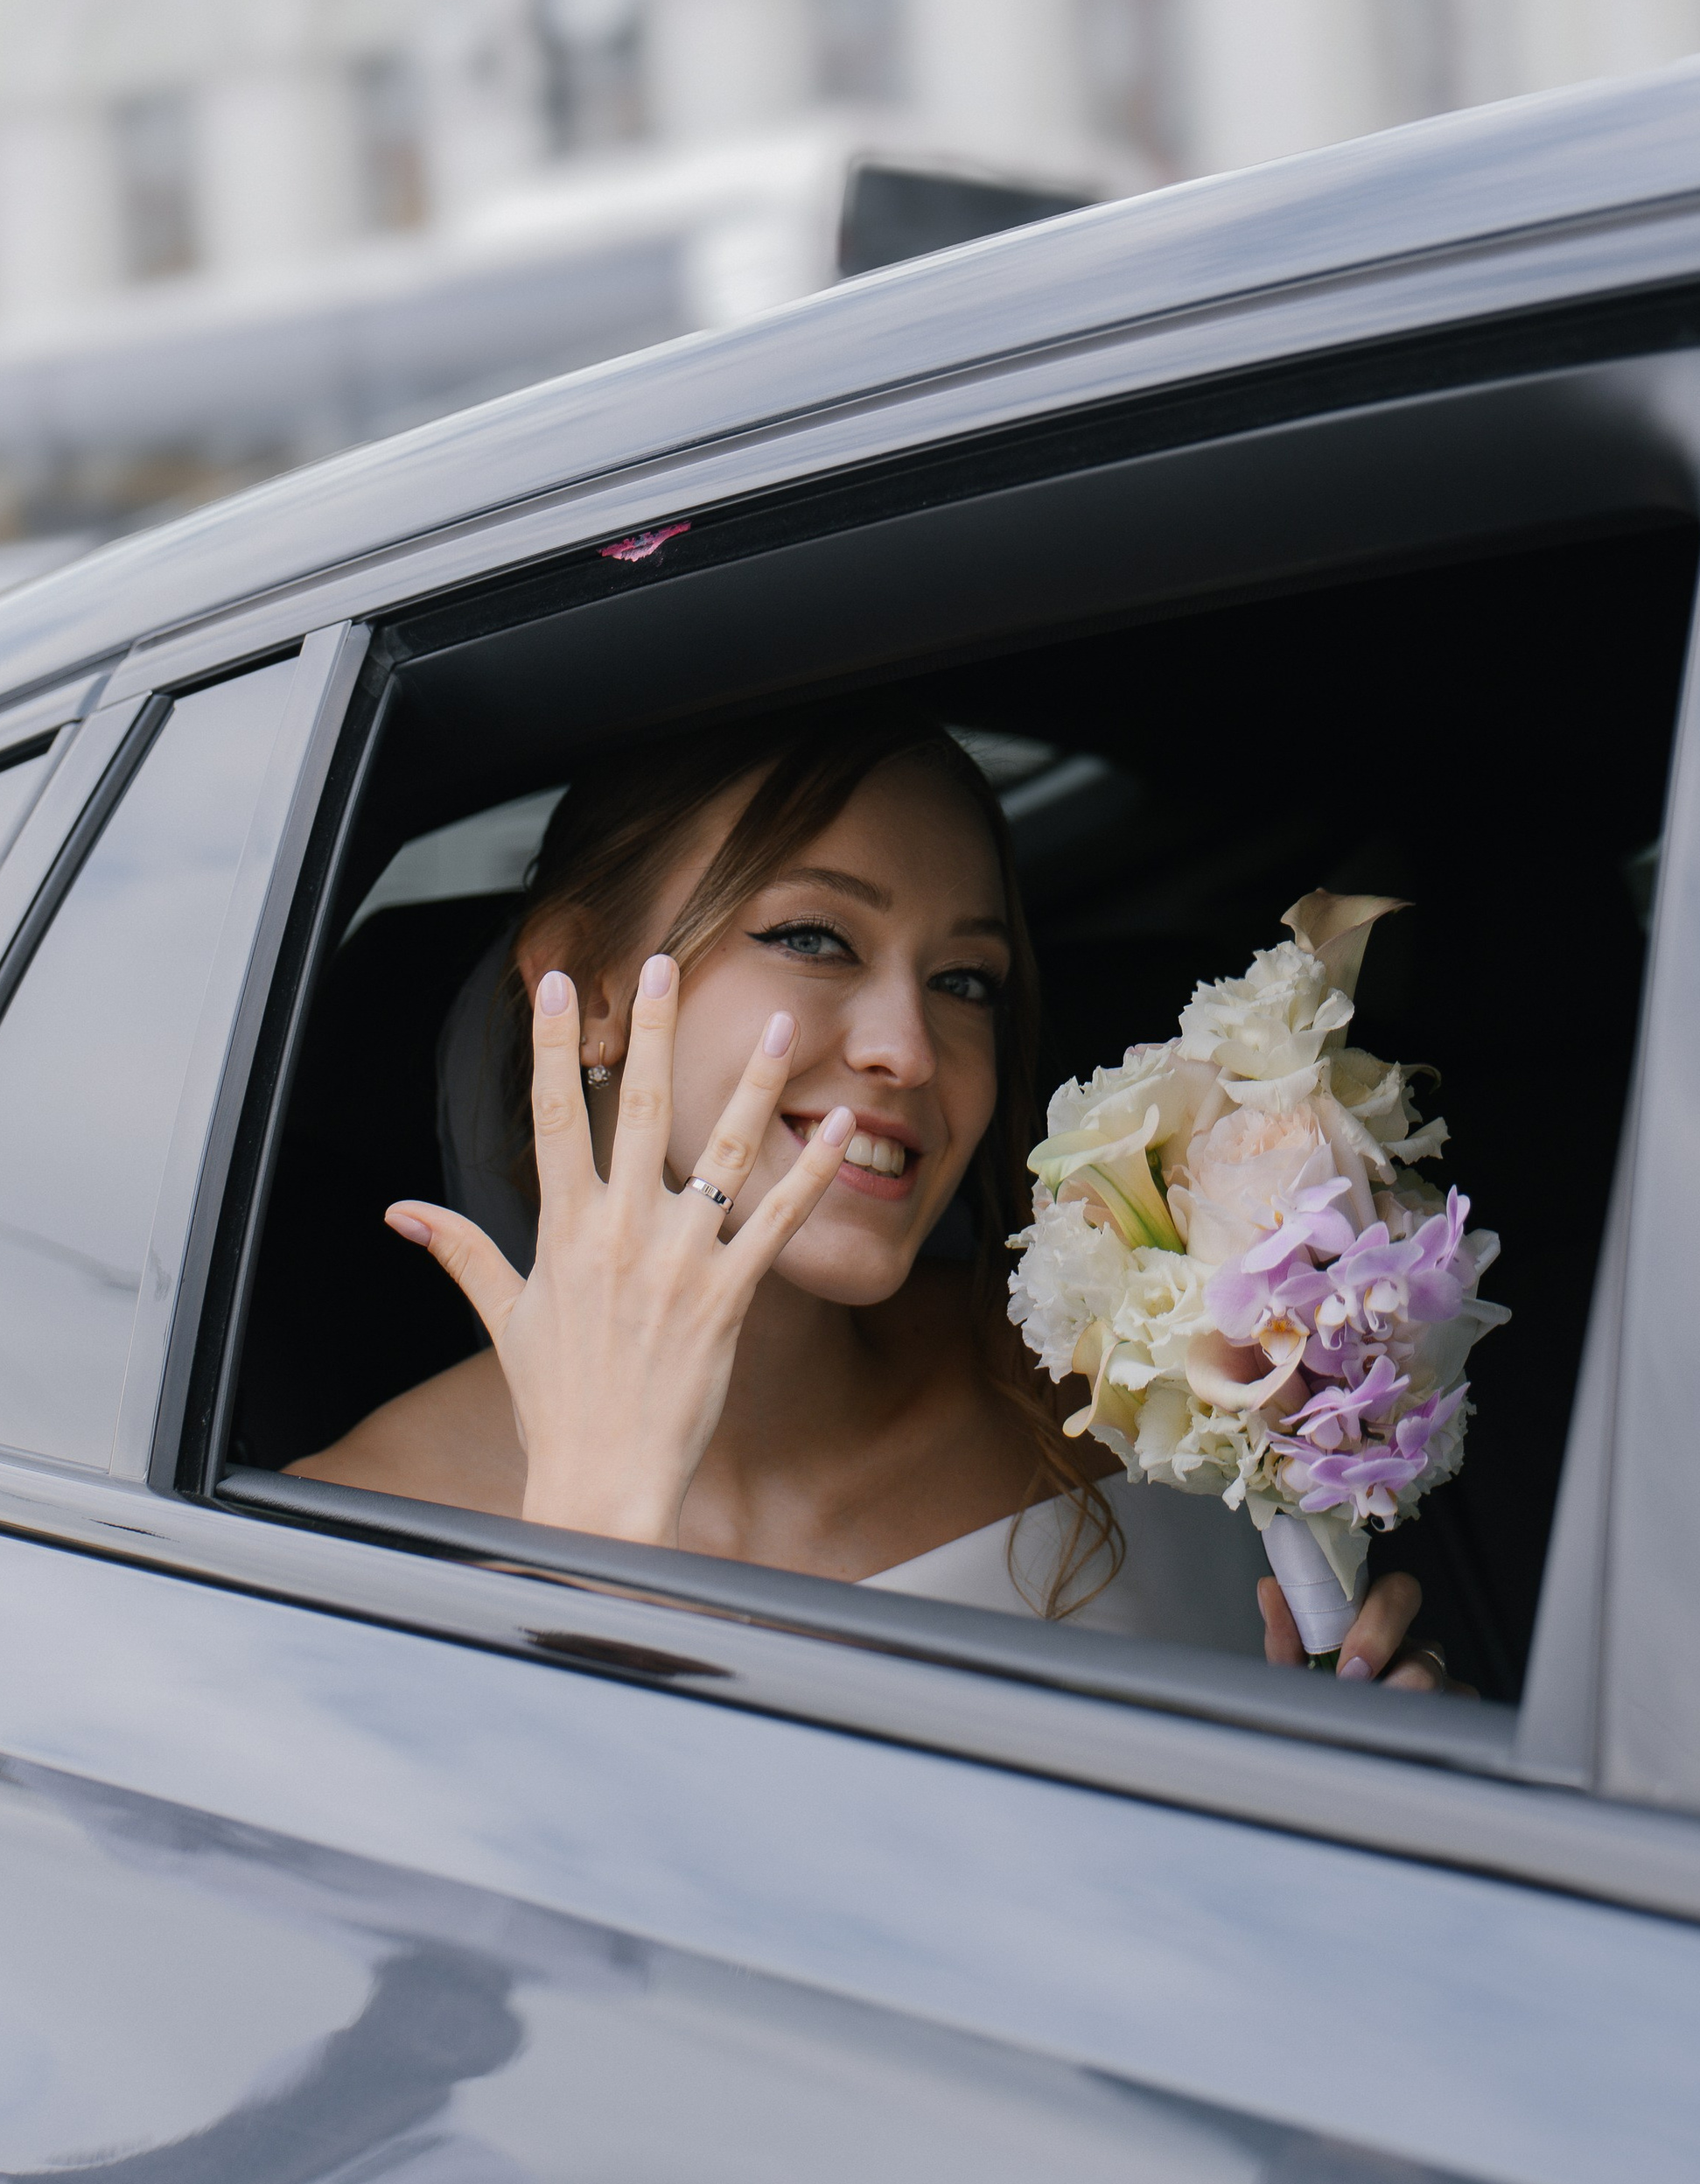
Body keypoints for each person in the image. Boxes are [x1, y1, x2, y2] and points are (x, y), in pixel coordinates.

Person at [291, 704, 1447, 1686]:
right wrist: (596, 1545)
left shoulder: (1123, 1384)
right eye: (814, 935)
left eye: (964, 980)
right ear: (584, 987)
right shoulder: (324, 1544)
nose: (912, 1046)